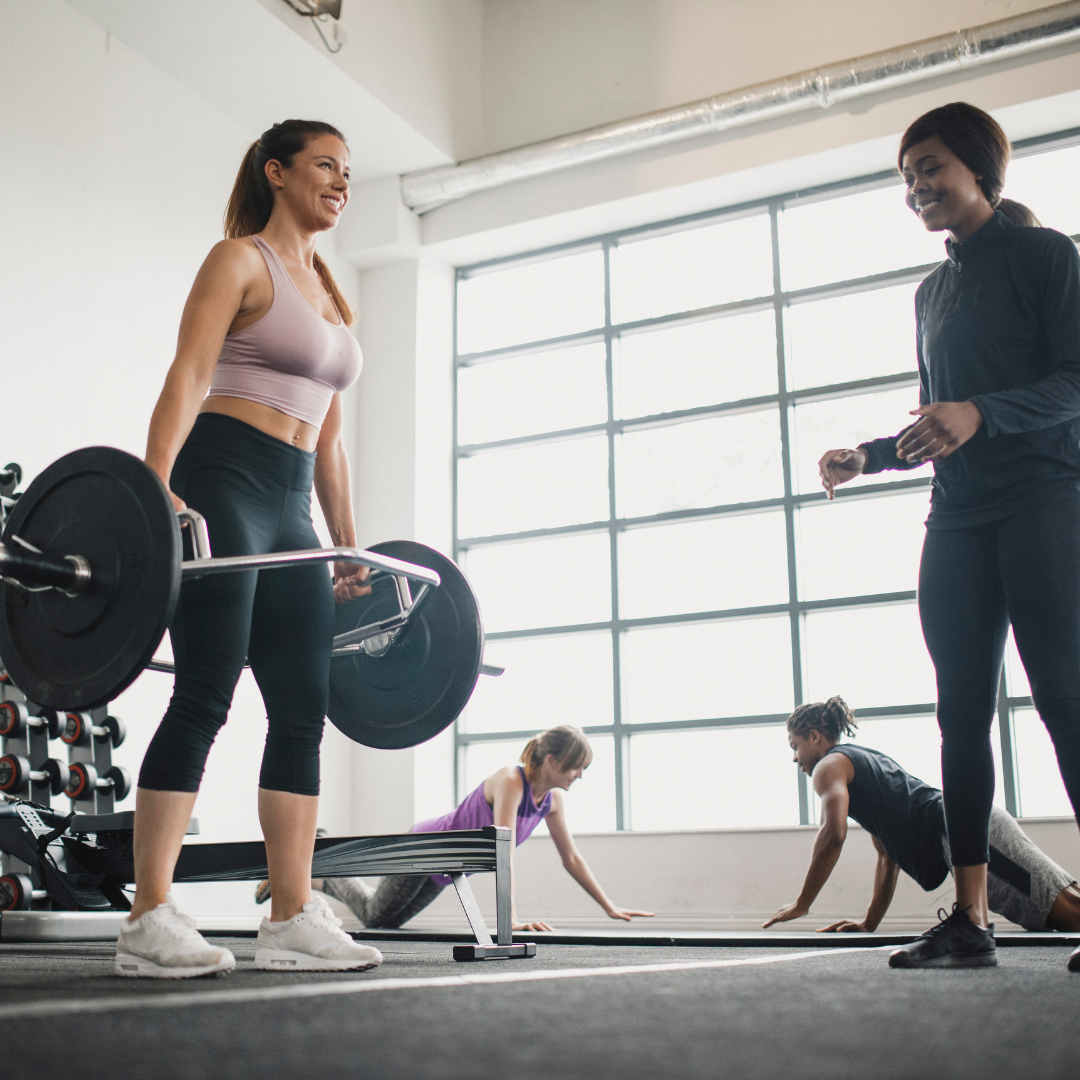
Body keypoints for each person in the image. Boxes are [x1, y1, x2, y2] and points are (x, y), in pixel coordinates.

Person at [817, 102, 1080, 973]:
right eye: (906, 176)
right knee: (959, 718)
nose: (916, 187)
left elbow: (1075, 381)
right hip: (957, 518)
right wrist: (873, 454)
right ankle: (970, 920)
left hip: (1045, 501)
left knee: (1063, 704)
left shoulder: (1048, 257)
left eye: (929, 167)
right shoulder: (931, 291)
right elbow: (942, 422)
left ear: (980, 168)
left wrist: (983, 413)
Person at [115, 120, 381, 979]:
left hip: (292, 502)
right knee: (205, 695)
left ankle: (292, 915)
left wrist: (347, 543)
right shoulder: (239, 261)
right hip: (223, 483)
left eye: (349, 171)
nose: (342, 181)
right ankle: (148, 914)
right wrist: (153, 490)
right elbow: (188, 376)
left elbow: (331, 439)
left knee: (304, 708)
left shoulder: (336, 298)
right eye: (325, 166)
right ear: (278, 172)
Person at [764, 697, 1080, 959]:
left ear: (815, 736)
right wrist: (869, 922)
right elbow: (888, 858)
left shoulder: (828, 767)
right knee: (1062, 906)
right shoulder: (863, 768)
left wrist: (802, 903)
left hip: (963, 830)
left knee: (1066, 911)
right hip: (964, 831)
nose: (795, 758)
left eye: (795, 746)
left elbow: (833, 834)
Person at [257, 726, 654, 932]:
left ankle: (316, 879)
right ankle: (317, 856)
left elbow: (571, 857)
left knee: (382, 920)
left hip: (449, 865)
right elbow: (503, 852)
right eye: (574, 766)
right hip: (425, 846)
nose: (579, 775)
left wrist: (609, 906)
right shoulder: (511, 782)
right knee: (374, 915)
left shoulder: (552, 801)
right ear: (551, 760)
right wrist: (508, 921)